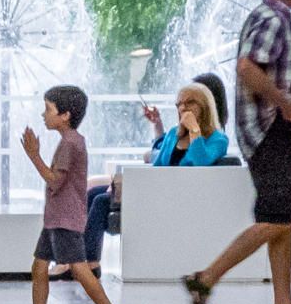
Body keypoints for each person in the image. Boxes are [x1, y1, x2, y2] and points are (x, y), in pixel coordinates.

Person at [183, 0, 291, 304]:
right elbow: (247, 67)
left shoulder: (270, 18)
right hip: (268, 132)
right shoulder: (271, 20)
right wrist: (285, 103)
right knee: (275, 219)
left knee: (284, 220)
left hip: (271, 133)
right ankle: (206, 278)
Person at [4, 85, 131, 304]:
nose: (43, 114)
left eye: (48, 109)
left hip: (64, 219)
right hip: (57, 218)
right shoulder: (71, 141)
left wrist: (33, 155)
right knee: (39, 266)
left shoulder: (70, 144)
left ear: (65, 115)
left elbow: (54, 181)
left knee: (80, 270)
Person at [83, 84, 229, 272]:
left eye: (190, 103)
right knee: (93, 193)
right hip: (160, 189)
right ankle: (83, 259)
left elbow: (198, 164)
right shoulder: (172, 135)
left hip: (184, 195)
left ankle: (89, 264)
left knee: (101, 201)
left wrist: (194, 130)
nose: (183, 108)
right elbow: (157, 167)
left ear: (205, 106)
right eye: (179, 104)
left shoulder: (218, 139)